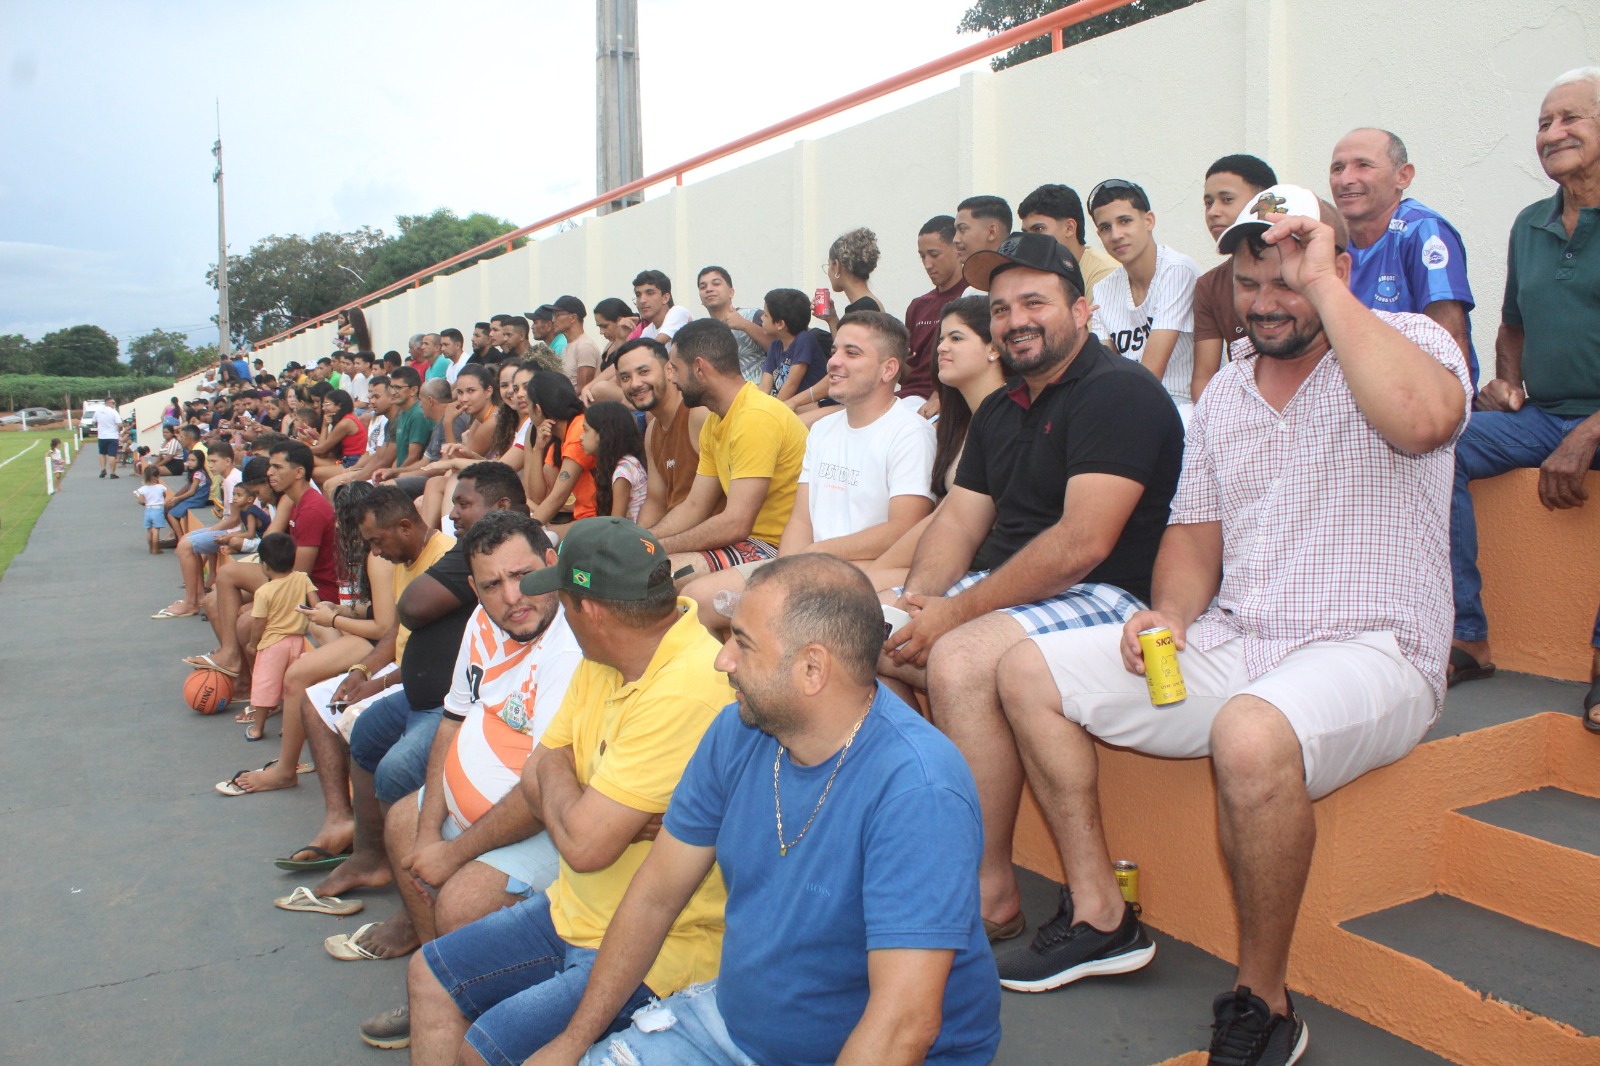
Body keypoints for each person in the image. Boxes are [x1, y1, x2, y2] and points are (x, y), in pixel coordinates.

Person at [995, 186, 1469, 1066]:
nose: (1266, 302)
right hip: (1242, 640)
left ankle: (1263, 998)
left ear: (1337, 269)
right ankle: (1100, 915)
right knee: (1025, 669)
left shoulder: (1409, 341)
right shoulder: (1224, 395)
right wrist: (1169, 613)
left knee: (1249, 734)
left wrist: (1325, 285)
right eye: (1251, 284)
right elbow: (1193, 534)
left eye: (1290, 279)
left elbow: (1425, 423)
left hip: (1374, 648)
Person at [527, 555, 1002, 1066]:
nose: (722, 660)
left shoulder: (918, 791)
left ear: (812, 669)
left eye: (743, 643)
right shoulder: (736, 731)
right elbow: (654, 897)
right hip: (728, 1023)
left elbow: (901, 1026)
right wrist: (573, 1042)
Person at [879, 232, 1183, 941]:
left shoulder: (1117, 392)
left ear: (1081, 310)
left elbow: (1083, 544)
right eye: (1002, 307)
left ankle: (989, 890)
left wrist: (954, 615)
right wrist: (917, 604)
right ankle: (929, 840)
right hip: (1014, 588)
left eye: (1034, 303)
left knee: (958, 659)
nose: (1015, 320)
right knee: (864, 633)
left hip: (1109, 593)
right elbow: (959, 520)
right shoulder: (1001, 408)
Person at [407, 517, 734, 1066]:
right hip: (577, 907)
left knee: (484, 1049)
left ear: (592, 611)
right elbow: (540, 768)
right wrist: (575, 792)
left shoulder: (687, 688)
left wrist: (563, 782)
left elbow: (583, 847)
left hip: (661, 944)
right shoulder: (609, 657)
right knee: (429, 975)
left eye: (560, 594)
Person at [355, 511, 586, 1051]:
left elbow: (540, 793)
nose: (512, 597)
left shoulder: (571, 646)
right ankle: (443, 991)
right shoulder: (484, 621)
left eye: (523, 576)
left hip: (545, 823)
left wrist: (451, 855)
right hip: (481, 809)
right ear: (474, 589)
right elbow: (452, 721)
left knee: (461, 900)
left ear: (551, 563)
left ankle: (469, 1015)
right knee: (402, 823)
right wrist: (428, 831)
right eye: (492, 584)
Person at [1450, 67, 1600, 721]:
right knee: (1437, 445)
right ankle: (1467, 636)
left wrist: (1589, 433)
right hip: (1543, 416)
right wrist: (1507, 381)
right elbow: (1512, 324)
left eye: (1571, 118)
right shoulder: (1529, 224)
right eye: (1543, 123)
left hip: (1592, 421)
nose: (1552, 133)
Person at [683, 311, 936, 636]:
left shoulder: (909, 433)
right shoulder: (823, 429)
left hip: (870, 568)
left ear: (888, 369)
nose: (834, 362)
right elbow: (801, 519)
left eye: (852, 353)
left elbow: (903, 528)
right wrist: (785, 571)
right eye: (834, 351)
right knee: (698, 599)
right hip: (807, 561)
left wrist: (817, 555)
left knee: (771, 621)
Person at [862, 296, 1009, 592]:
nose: (941, 347)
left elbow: (953, 520)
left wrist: (877, 572)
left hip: (985, 567)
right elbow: (939, 517)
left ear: (993, 348)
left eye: (956, 338)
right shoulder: (953, 422)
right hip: (944, 555)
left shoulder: (1009, 418)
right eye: (941, 339)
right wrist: (878, 569)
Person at [649, 319, 809, 585]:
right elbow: (694, 506)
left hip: (779, 548)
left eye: (675, 368)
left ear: (699, 368)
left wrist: (657, 549)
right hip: (746, 543)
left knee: (658, 578)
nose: (672, 378)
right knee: (645, 570)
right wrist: (645, 541)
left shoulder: (755, 417)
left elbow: (736, 523)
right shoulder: (715, 421)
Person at [187, 440, 338, 707]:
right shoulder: (294, 502)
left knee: (242, 606)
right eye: (270, 467)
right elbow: (272, 547)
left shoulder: (312, 509)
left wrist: (262, 602)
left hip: (314, 591)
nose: (269, 473)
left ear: (299, 472)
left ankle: (254, 682)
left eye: (277, 467)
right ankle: (243, 680)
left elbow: (299, 576)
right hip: (292, 580)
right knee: (212, 601)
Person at [1330, 127, 1477, 383]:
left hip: (1416, 396)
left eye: (1363, 165)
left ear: (1403, 176)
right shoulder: (1331, 239)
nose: (1345, 179)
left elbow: (1450, 340)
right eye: (1337, 168)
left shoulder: (1423, 231)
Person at [1089, 178, 1202, 421]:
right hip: (1130, 403)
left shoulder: (1177, 270)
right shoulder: (1103, 289)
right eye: (1106, 228)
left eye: (1125, 221)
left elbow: (1152, 373)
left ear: (1149, 221)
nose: (1116, 235)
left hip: (1183, 406)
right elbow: (1103, 369)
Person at [1193, 154, 1279, 400]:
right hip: (1240, 404)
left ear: (1266, 203)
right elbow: (1204, 377)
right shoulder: (1209, 285)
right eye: (1208, 203)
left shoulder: (1302, 269)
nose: (1213, 212)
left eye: (1227, 200)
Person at [614, 338, 705, 527]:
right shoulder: (652, 432)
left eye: (644, 372)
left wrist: (649, 539)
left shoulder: (697, 414)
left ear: (669, 370)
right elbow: (656, 502)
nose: (635, 383)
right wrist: (638, 538)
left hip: (708, 535)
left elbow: (698, 506)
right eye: (625, 378)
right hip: (674, 531)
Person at [241, 532, 318, 742]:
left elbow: (259, 623)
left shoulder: (264, 592)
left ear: (265, 565)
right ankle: (289, 727)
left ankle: (257, 728)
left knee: (264, 686)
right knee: (292, 686)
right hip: (297, 641)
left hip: (273, 644)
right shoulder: (302, 578)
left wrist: (252, 644)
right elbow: (315, 604)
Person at [902, 214, 970, 406]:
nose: (927, 264)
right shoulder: (918, 305)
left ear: (957, 248)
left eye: (934, 254)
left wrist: (941, 394)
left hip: (948, 399)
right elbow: (910, 375)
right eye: (922, 256)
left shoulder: (972, 296)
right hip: (907, 398)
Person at [523, 371, 598, 526]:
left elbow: (557, 498)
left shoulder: (579, 431)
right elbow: (537, 497)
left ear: (538, 409)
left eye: (528, 405)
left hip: (596, 520)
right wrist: (538, 450)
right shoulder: (557, 436)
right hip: (580, 519)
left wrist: (528, 531)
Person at [1018, 183, 1119, 296]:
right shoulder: (1034, 272)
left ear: (1069, 228)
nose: (1029, 240)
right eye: (1025, 233)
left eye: (1038, 229)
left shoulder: (1106, 275)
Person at [696, 266, 769, 383]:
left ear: (731, 292)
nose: (708, 289)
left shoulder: (753, 315)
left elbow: (779, 348)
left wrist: (744, 324)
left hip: (758, 390)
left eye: (716, 284)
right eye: (703, 287)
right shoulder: (701, 332)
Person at [580, 401, 648, 521]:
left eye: (586, 430)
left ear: (604, 434)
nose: (581, 437)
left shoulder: (623, 471)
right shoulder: (624, 462)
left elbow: (616, 523)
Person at [757, 288, 825, 404]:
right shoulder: (775, 345)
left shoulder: (804, 340)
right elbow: (764, 386)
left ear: (780, 324)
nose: (761, 318)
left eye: (766, 315)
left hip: (808, 404)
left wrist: (772, 410)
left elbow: (792, 384)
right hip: (785, 404)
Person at [814, 227, 884, 332]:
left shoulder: (863, 308)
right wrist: (832, 319)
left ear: (837, 266)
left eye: (829, 264)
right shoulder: (868, 303)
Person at [551, 296, 601, 390]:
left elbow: (583, 389)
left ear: (573, 318)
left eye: (557, 315)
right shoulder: (567, 347)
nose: (553, 320)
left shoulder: (585, 346)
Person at [633, 269, 693, 342]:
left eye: (650, 293)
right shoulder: (647, 332)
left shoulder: (678, 311)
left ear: (665, 298)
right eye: (638, 295)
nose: (642, 300)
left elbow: (656, 346)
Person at [953, 194, 1012, 268]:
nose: (955, 239)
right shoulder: (977, 274)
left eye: (962, 229)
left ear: (992, 232)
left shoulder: (1018, 273)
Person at [134, 464, 172, 554]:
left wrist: (143, 502)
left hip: (148, 510)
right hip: (158, 510)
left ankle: (150, 548)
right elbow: (164, 495)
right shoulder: (161, 487)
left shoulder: (143, 489)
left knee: (149, 530)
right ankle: (156, 549)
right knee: (156, 530)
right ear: (157, 476)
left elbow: (139, 499)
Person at [94, 399, 122, 478]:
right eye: (113, 403)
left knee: (102, 453)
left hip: (102, 436)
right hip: (112, 436)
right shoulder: (114, 412)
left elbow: (94, 421)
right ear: (109, 403)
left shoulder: (98, 411)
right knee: (112, 455)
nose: (114, 404)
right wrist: (120, 428)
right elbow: (119, 424)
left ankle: (103, 469)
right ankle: (112, 473)